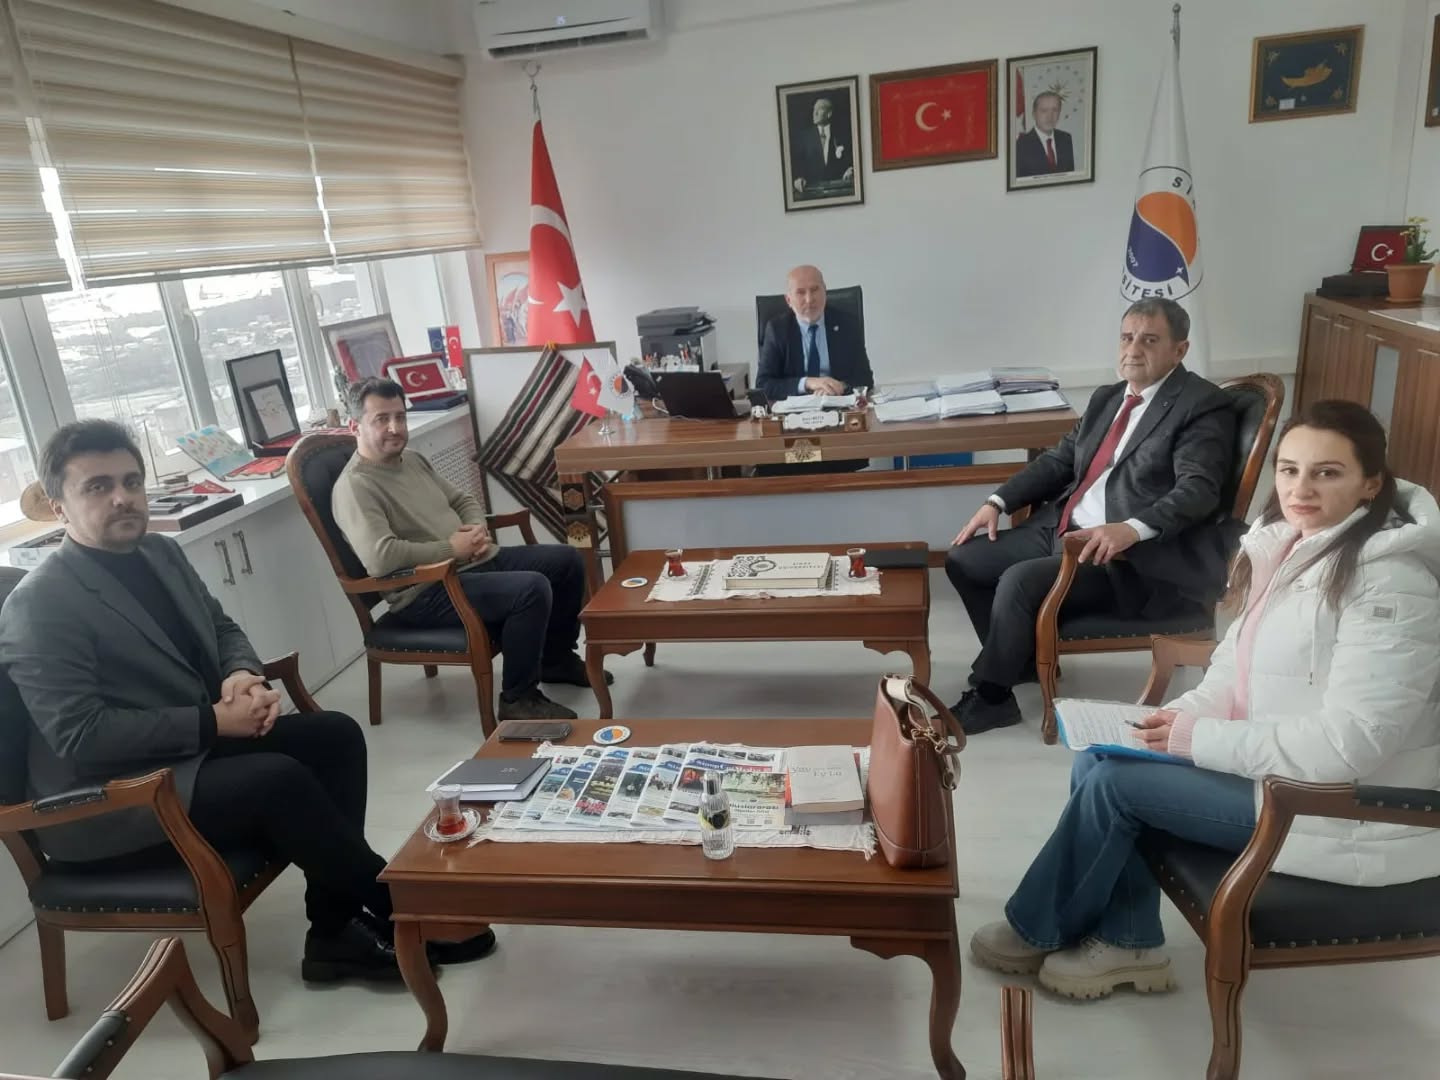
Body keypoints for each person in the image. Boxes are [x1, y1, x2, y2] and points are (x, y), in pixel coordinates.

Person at [969, 401, 1440, 1000]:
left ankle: (1041, 926)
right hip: (1279, 772)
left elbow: (1352, 744)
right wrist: (1180, 717)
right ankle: (1128, 941)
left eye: (1327, 473)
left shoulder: (1390, 582)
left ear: (1371, 482)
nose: (1301, 489)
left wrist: (1197, 739)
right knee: (1105, 755)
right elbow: (1232, 670)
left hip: (1344, 809)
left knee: (1118, 786)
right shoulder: (1293, 546)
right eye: (1289, 470)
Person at [0, 420, 494, 985]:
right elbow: (81, 737)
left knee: (334, 734)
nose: (122, 498)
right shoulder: (42, 603)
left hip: (179, 757)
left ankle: (332, 934)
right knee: (275, 780)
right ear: (59, 507)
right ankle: (400, 903)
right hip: (110, 798)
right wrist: (213, 721)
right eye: (98, 486)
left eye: (131, 481)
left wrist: (241, 675)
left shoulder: (159, 552)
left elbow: (221, 627)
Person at [947, 298, 1236, 735]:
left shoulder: (1202, 405)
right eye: (1127, 338)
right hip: (1062, 527)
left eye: (1149, 340)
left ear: (1180, 350)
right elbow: (1058, 461)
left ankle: (991, 697)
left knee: (1018, 582)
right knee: (964, 559)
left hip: (1123, 556)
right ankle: (1017, 662)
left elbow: (1198, 490)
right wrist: (997, 502)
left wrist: (1131, 529)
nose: (1133, 350)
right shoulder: (1108, 398)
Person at [332, 377, 603, 723]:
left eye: (400, 417)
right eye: (381, 419)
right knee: (531, 589)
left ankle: (555, 660)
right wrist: (452, 548)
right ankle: (518, 699)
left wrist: (476, 530)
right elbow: (380, 558)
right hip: (425, 590)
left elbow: (463, 500)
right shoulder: (355, 486)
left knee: (566, 560)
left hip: (466, 564)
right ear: (355, 426)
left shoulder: (411, 459)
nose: (395, 428)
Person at [756, 265, 873, 403]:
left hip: (838, 405)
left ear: (825, 292)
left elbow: (865, 378)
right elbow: (763, 384)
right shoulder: (777, 329)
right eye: (801, 292)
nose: (809, 299)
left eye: (814, 289)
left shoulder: (847, 324)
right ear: (788, 300)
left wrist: (840, 387)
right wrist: (807, 383)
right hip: (795, 410)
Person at [791, 97, 855, 197]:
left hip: (838, 190)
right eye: (814, 109)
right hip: (811, 192)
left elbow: (851, 159)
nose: (814, 113)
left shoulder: (842, 134)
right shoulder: (804, 137)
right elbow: (798, 164)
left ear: (829, 113)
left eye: (819, 109)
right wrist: (798, 178)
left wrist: (851, 169)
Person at [1014, 91, 1075, 177]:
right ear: (1034, 114)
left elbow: (1070, 176)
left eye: (1055, 110)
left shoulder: (1066, 138)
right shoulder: (1020, 144)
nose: (1050, 116)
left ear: (1059, 113)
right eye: (1044, 110)